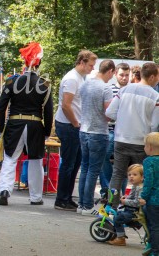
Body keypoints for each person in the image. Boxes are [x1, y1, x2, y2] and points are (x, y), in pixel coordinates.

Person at [0, 42, 53, 206]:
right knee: (35, 161)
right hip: (35, 125)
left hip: (15, 124)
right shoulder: (44, 85)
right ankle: (36, 197)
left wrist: (0, 128)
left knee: (10, 158)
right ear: (39, 63)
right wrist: (47, 131)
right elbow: (48, 111)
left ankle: (5, 190)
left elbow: (2, 107)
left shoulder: (12, 81)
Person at [105, 62, 159, 205]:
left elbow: (109, 112)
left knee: (117, 174)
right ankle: (136, 207)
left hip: (121, 139)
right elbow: (154, 124)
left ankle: (112, 207)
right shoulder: (155, 96)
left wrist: (123, 119)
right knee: (140, 175)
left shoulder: (123, 90)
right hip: (141, 142)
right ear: (152, 76)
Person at [54, 50, 97, 211]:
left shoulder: (80, 78)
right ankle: (61, 199)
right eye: (91, 65)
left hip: (74, 125)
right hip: (69, 125)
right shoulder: (72, 79)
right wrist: (75, 123)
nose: (92, 68)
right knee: (69, 163)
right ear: (82, 62)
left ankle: (66, 197)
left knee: (75, 162)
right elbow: (66, 105)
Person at [77, 60, 115, 215]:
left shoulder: (86, 84)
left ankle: (81, 204)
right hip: (98, 132)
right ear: (111, 71)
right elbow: (108, 113)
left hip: (84, 130)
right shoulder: (106, 88)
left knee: (85, 168)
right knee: (94, 170)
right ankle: (87, 205)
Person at [100, 63, 130, 196]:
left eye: (127, 75)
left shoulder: (130, 90)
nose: (124, 78)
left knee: (122, 163)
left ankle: (120, 193)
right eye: (122, 75)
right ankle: (106, 189)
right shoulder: (109, 89)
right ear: (116, 74)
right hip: (110, 129)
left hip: (125, 131)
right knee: (104, 156)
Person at [107, 164, 144, 246]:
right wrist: (125, 198)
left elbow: (137, 203)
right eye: (129, 175)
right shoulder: (135, 186)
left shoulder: (140, 188)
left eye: (135, 175)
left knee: (118, 219)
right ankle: (117, 234)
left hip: (135, 212)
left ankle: (121, 239)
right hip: (131, 210)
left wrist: (125, 202)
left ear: (142, 177)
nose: (131, 177)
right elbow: (131, 197)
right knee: (118, 213)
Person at [141, 132, 159, 256]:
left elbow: (149, 181)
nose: (144, 148)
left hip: (153, 199)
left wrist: (143, 197)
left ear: (150, 147)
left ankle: (155, 250)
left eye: (145, 146)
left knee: (154, 226)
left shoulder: (149, 161)